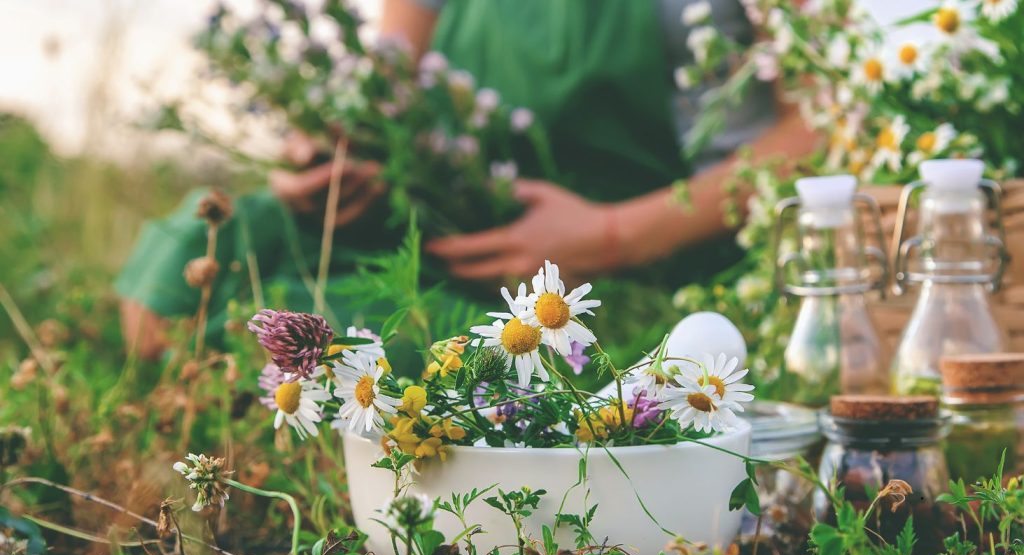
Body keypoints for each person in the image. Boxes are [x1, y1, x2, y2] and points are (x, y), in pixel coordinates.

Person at [117, 0, 817, 358]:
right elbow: (388, 79)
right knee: (205, 247)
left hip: (658, 258)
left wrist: (610, 236)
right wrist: (331, 147)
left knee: (400, 345)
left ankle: (269, 366)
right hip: (466, 234)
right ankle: (239, 367)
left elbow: (818, 125)